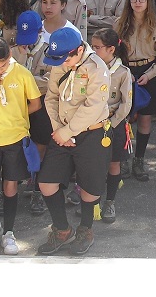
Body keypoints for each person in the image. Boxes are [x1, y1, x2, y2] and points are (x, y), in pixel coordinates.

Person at [36, 27, 111, 256]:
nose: (62, 63)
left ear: (79, 50)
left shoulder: (97, 68)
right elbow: (51, 97)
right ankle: (62, 229)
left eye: (66, 58)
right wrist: (59, 130)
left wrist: (67, 132)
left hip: (92, 132)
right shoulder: (61, 62)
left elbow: (93, 107)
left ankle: (85, 229)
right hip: (62, 133)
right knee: (46, 182)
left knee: (89, 188)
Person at [0, 37, 42, 255]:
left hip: (15, 137)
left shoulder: (22, 73)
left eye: (2, 65)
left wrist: (19, 116)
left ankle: (9, 232)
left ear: (10, 56)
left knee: (10, 187)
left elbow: (35, 103)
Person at [116, 0, 156, 181]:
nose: (137, 2)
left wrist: (149, 74)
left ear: (148, 1)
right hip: (125, 73)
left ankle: (139, 160)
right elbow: (112, 54)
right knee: (122, 119)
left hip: (149, 73)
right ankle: (123, 159)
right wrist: (124, 72)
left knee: (145, 119)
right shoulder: (120, 24)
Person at [90, 28, 132, 223]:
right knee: (94, 165)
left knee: (113, 163)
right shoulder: (89, 68)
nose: (93, 50)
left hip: (113, 124)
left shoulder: (122, 73)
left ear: (111, 49)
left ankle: (110, 201)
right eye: (92, 46)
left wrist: (111, 124)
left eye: (97, 47)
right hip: (92, 124)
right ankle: (92, 201)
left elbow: (126, 104)